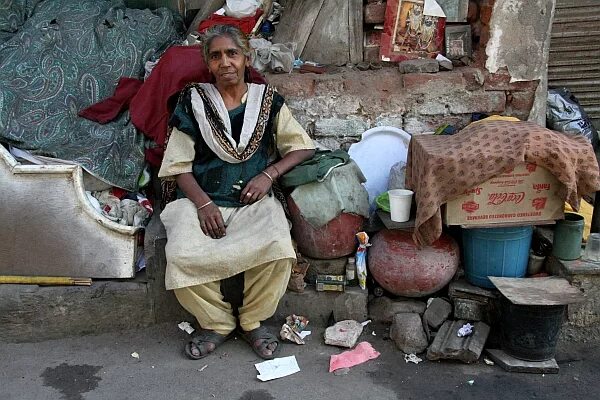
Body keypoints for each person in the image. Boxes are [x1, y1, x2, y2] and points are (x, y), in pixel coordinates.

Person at [158, 24, 315, 360]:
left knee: (277, 245)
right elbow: (177, 165)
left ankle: (254, 320)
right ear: (208, 63)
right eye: (215, 56)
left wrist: (268, 174)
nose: (224, 62)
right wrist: (202, 204)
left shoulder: (267, 101)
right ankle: (216, 322)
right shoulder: (193, 101)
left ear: (247, 57)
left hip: (252, 201)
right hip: (199, 200)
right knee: (181, 255)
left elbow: (301, 147)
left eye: (232, 53)